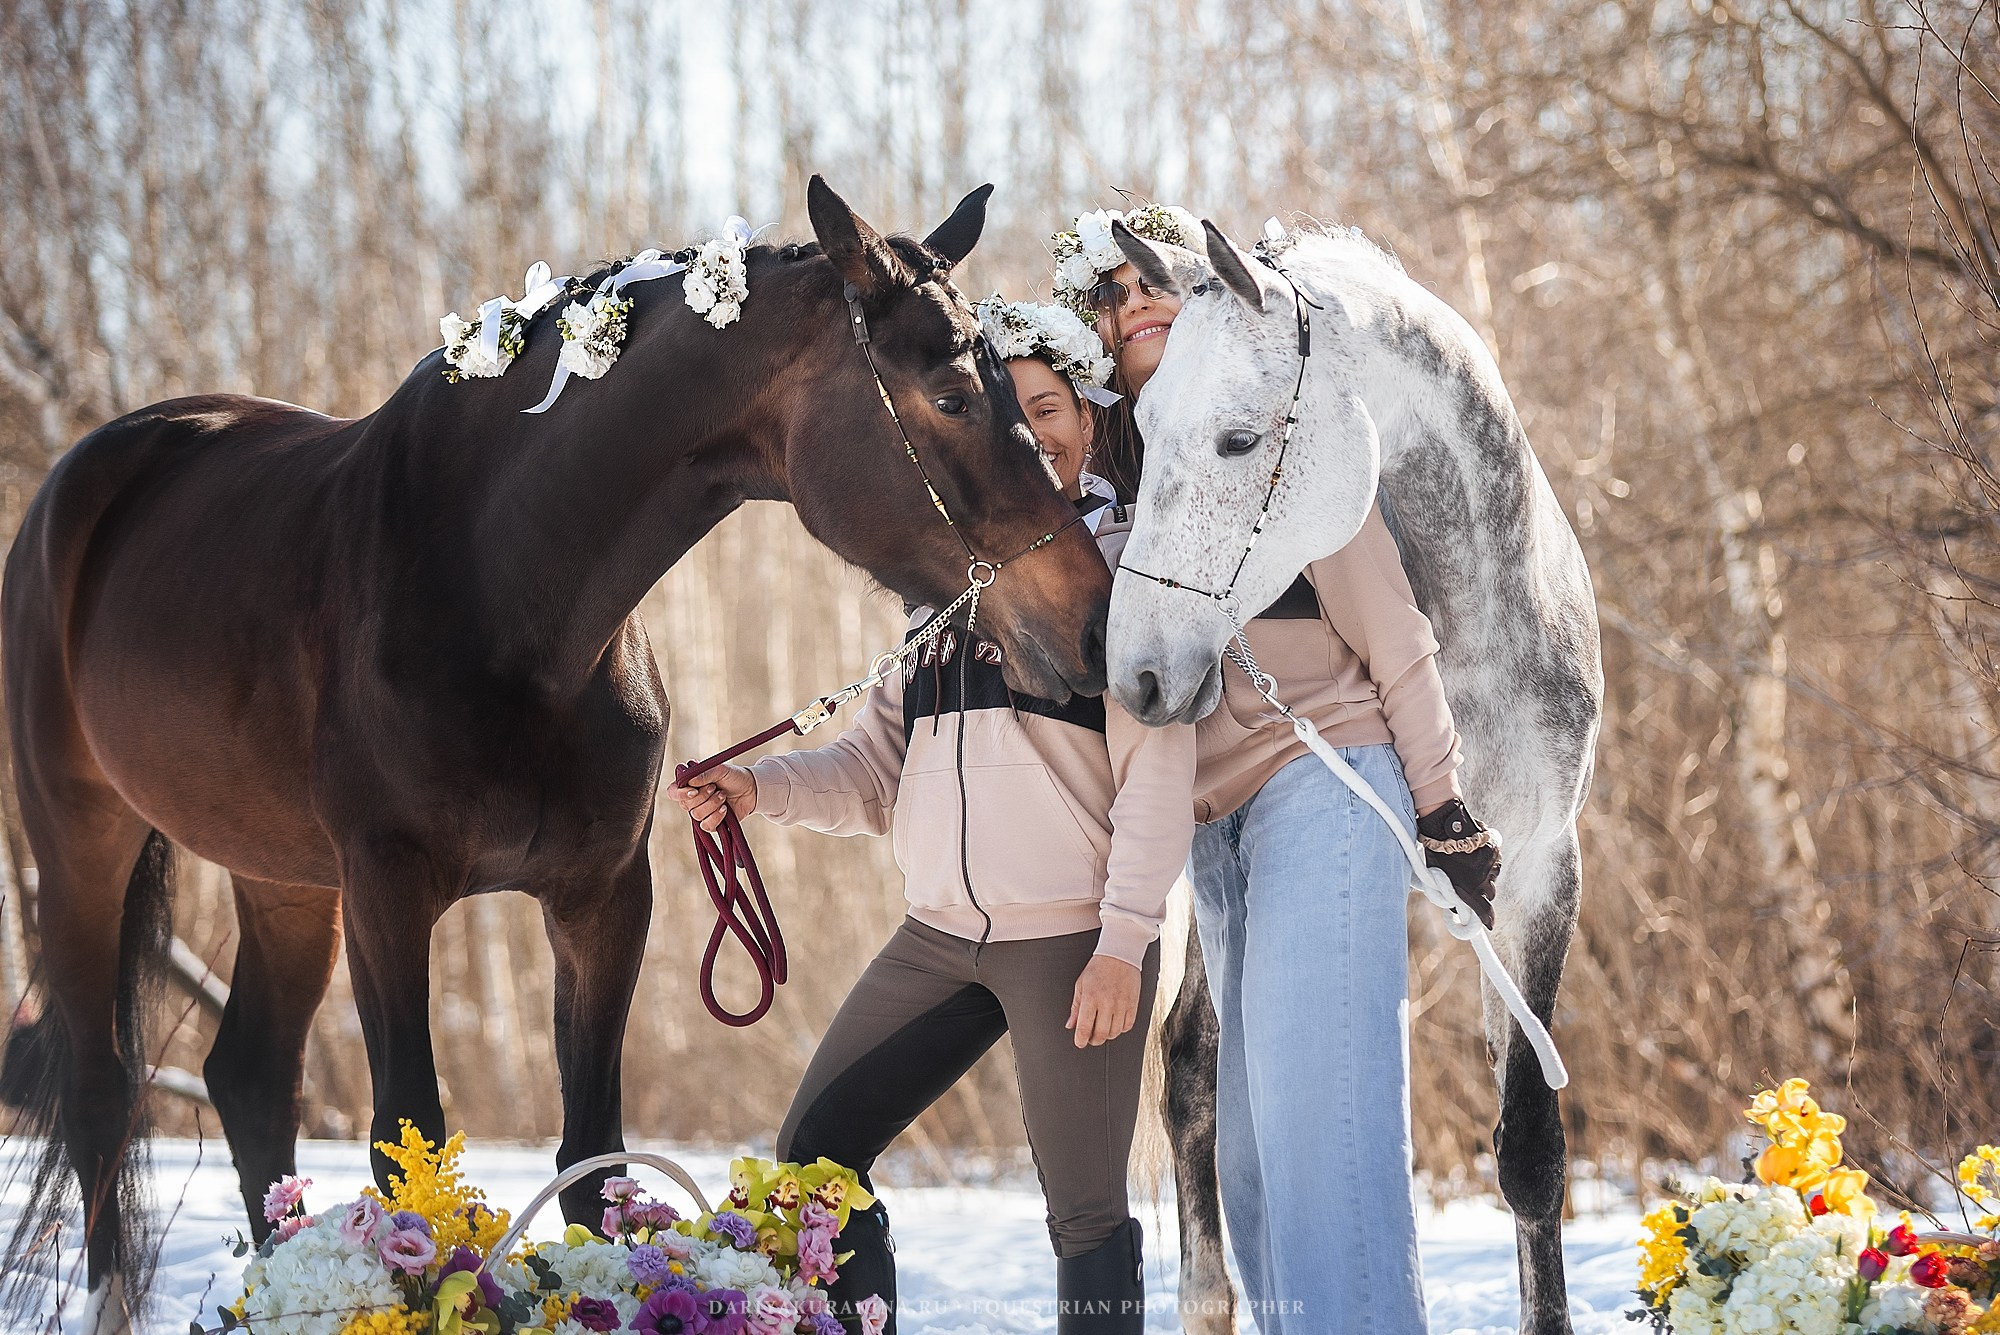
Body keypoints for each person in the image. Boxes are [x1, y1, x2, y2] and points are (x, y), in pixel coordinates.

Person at [669, 297, 1191, 1335]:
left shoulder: (1131, 572)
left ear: (1087, 421)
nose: (1031, 431)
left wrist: (1121, 945)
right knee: (814, 1162)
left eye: (1049, 407)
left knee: (1084, 1217)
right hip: (939, 938)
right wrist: (757, 787)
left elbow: (1157, 783)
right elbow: (875, 772)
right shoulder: (940, 589)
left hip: (1069, 941)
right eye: (1011, 410)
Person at [1050, 205, 1504, 1334]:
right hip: (1216, 836)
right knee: (1247, 1168)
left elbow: (1392, 636)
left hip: (1323, 787)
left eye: (1153, 276)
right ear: (1095, 339)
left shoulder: (1275, 432)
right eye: (1108, 293)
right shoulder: (1110, 495)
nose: (1138, 297)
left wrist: (1443, 807)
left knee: (1324, 1150)